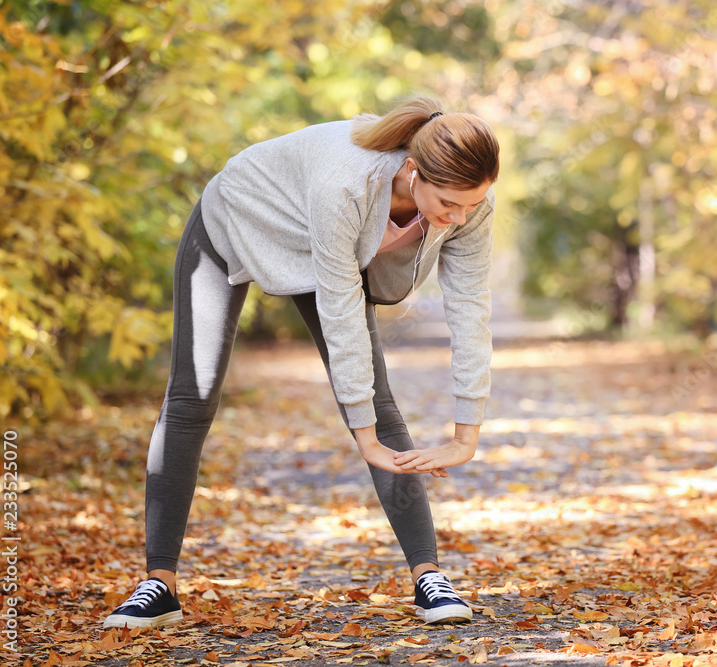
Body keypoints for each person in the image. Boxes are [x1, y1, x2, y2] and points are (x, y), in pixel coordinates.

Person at [102, 94, 498, 629]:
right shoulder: (346, 184)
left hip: (320, 244)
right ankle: (158, 584)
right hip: (242, 217)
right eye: (449, 204)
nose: (459, 217)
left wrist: (466, 431)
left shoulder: (468, 202)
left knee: (381, 405)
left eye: (470, 206)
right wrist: (362, 438)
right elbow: (340, 309)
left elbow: (470, 307)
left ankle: (429, 578)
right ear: (412, 170)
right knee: (191, 397)